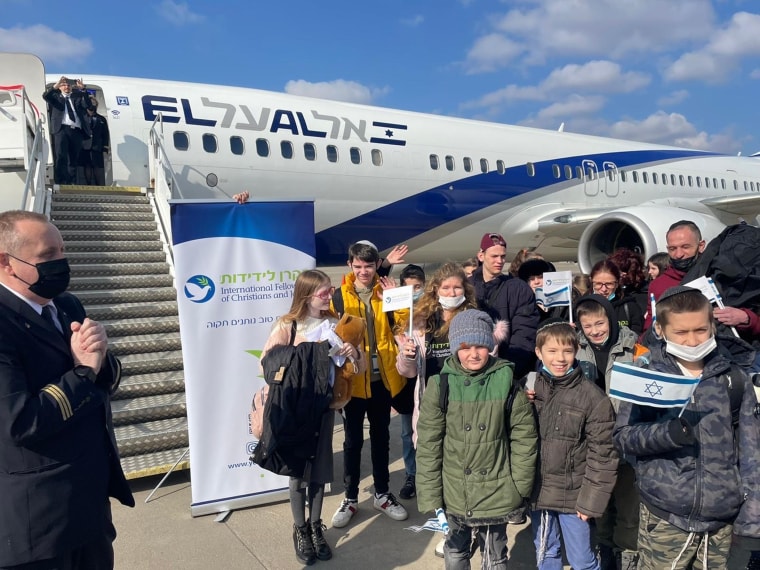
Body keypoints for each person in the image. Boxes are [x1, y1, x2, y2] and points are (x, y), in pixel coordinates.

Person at [0, 210, 134, 569]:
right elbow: (19, 423)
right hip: (39, 524)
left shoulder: (66, 304)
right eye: (47, 256)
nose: (61, 262)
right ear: (6, 263)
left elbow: (103, 379)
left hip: (89, 505)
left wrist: (100, 358)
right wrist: (82, 371)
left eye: (62, 250)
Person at [613, 286, 760, 569]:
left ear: (713, 326)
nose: (692, 341)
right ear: (660, 330)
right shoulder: (647, 377)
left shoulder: (734, 379)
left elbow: (752, 454)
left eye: (701, 330)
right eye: (681, 333)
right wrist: (666, 434)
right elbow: (624, 438)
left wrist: (751, 522)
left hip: (722, 520)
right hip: (666, 516)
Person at [416, 309, 538, 570]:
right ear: (453, 349)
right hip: (454, 490)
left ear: (491, 346)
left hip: (497, 490)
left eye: (480, 346)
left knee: (494, 555)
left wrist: (519, 488)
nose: (473, 354)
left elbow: (524, 440)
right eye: (465, 347)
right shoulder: (440, 385)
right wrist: (431, 495)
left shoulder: (507, 382)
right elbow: (429, 444)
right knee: (456, 551)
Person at [260, 270, 361, 564]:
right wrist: (310, 353)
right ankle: (300, 528)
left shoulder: (337, 322)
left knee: (319, 471)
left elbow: (359, 366)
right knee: (297, 472)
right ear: (306, 295)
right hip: (295, 408)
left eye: (330, 290)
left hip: (325, 406)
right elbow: (268, 364)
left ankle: (316, 527)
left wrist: (352, 352)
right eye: (323, 292)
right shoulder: (288, 325)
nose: (329, 296)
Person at [528, 320, 618, 570]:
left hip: (575, 498)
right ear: (539, 353)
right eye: (552, 351)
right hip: (539, 492)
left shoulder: (593, 398)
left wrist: (591, 501)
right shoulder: (529, 386)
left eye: (567, 351)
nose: (560, 358)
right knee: (546, 553)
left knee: (583, 560)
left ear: (576, 350)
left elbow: (603, 455)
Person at [330, 242, 409, 528]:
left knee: (381, 439)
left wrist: (397, 300)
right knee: (352, 441)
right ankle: (351, 498)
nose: (364, 271)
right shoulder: (338, 296)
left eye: (369, 265)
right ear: (350, 265)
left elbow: (403, 325)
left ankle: (382, 493)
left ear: (377, 265)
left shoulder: (386, 290)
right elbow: (328, 332)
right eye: (358, 266)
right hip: (352, 381)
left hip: (382, 380)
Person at [575, 295, 648, 570]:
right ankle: (606, 554)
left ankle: (627, 557)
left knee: (629, 508)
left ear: (610, 319)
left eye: (600, 323)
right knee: (601, 508)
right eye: (588, 326)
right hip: (595, 444)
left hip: (627, 442)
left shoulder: (636, 349)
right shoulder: (577, 350)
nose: (595, 331)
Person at [470, 233, 539, 379]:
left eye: (502, 256)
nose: (500, 261)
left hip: (507, 370)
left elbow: (525, 333)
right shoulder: (466, 286)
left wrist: (507, 370)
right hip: (469, 369)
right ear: (481, 256)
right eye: (494, 256)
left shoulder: (518, 288)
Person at [394, 263, 427, 500]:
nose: (415, 292)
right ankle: (411, 475)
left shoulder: (430, 310)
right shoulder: (396, 312)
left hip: (427, 379)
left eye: (418, 287)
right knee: (407, 432)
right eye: (409, 288)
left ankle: (429, 476)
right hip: (405, 381)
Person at [642, 221, 706, 331]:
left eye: (685, 247)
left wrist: (745, 317)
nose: (678, 254)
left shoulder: (716, 275)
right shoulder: (657, 285)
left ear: (701, 246)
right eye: (672, 249)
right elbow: (650, 323)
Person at [43, 76, 94, 184]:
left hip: (76, 131)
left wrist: (83, 90)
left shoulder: (78, 97)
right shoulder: (56, 97)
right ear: (60, 87)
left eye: (68, 85)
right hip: (62, 129)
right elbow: (46, 96)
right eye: (64, 85)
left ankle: (71, 182)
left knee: (73, 158)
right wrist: (55, 85)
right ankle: (60, 181)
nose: (66, 87)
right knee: (61, 156)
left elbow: (89, 105)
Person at [590, 259, 645, 336]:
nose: (603, 289)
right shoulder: (583, 305)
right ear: (591, 281)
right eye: (598, 284)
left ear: (617, 283)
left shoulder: (629, 306)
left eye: (609, 284)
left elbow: (638, 334)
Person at [78, 96, 110, 186]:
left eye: (94, 103)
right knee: (87, 165)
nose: (92, 105)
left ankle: (98, 184)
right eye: (90, 103)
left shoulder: (101, 119)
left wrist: (105, 147)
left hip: (97, 145)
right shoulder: (82, 118)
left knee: (97, 166)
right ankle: (88, 183)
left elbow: (105, 134)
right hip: (85, 145)